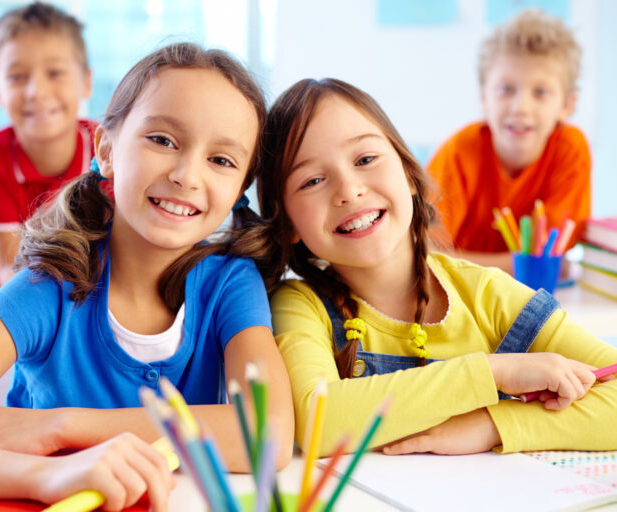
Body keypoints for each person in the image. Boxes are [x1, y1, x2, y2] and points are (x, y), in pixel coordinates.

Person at [0, 42, 293, 507]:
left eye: (222, 160)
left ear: (239, 188)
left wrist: (61, 426)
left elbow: (266, 434)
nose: (188, 175)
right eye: (163, 140)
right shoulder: (44, 290)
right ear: (106, 149)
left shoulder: (229, 284)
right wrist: (46, 474)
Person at [257, 77, 617, 458]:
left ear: (412, 177)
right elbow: (320, 422)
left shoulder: (487, 295)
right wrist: (493, 372)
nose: (349, 190)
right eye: (312, 180)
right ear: (289, 223)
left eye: (365, 159)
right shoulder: (298, 305)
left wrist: (491, 425)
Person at [427, 9, 590, 273]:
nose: (520, 107)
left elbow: (550, 259)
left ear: (567, 104)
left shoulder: (570, 149)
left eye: (541, 92)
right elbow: (425, 254)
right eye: (506, 89)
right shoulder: (458, 151)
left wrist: (462, 263)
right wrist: (525, 265)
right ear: (483, 97)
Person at [0, 2, 98, 292]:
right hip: (21, 303)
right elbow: (8, 267)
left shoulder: (109, 147)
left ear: (86, 83)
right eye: (17, 77)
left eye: (55, 73)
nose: (36, 92)